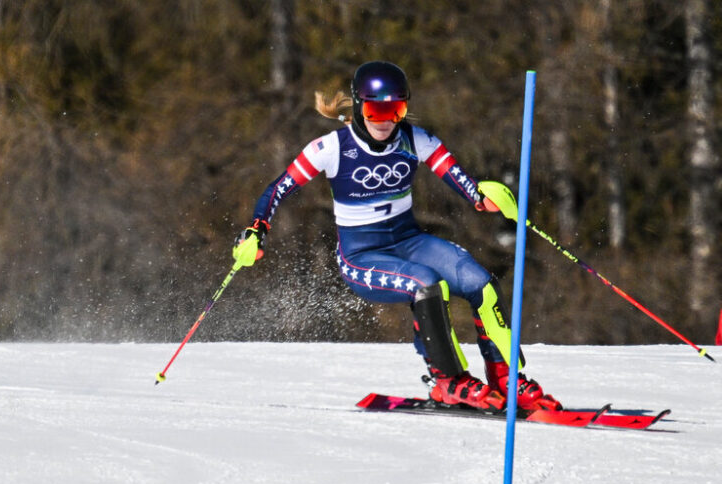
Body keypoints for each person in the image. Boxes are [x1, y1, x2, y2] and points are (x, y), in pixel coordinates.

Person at [232, 61, 560, 411]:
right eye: (375, 110)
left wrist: (483, 199)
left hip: (409, 241)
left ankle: (506, 378)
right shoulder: (330, 149)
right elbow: (277, 189)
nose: (386, 121)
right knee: (427, 285)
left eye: (396, 109)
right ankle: (448, 381)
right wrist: (257, 229)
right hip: (361, 257)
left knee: (479, 281)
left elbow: (460, 179)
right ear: (359, 106)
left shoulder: (414, 139)